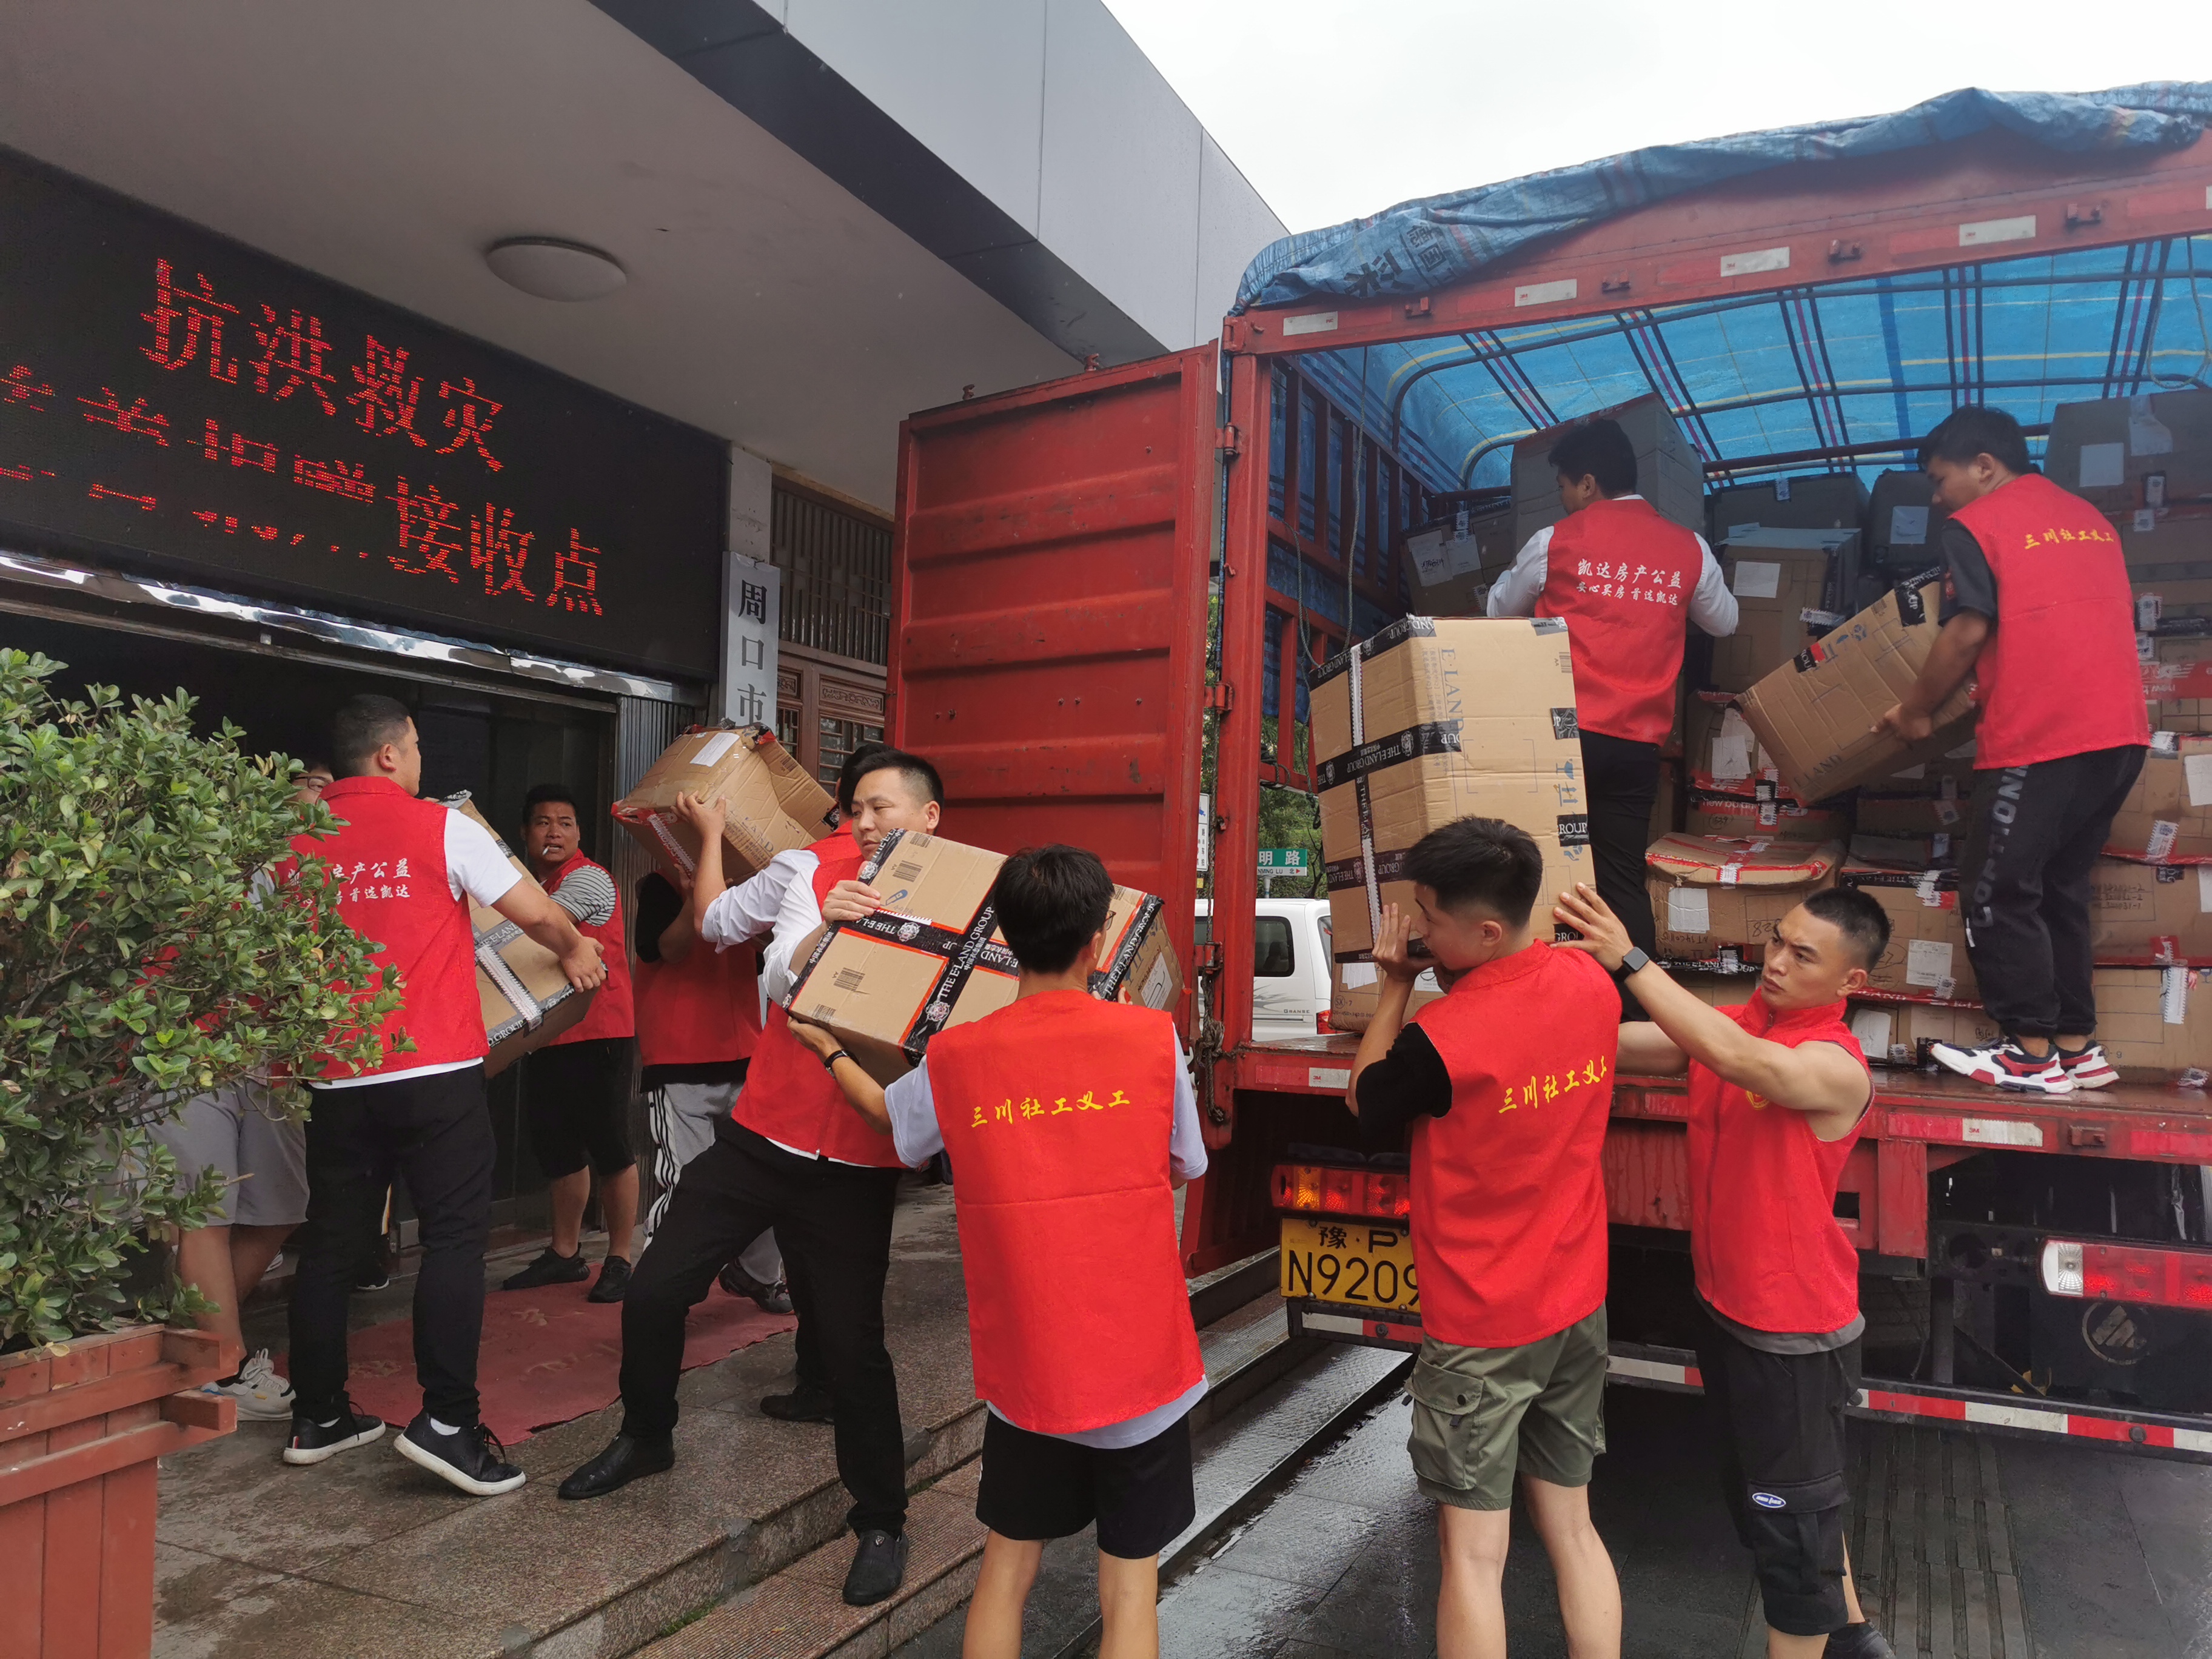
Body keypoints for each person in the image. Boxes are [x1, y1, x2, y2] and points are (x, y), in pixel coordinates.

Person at [788, 843, 1206, 1659]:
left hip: (1029, 1366)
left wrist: (828, 1047)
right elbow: (1186, 1162)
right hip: (1141, 1365)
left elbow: (892, 1123)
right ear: (1098, 942)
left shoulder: (958, 1056)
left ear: (1004, 940)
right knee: (1129, 1588)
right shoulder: (1153, 1039)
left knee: (1007, 1567)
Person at [557, 749, 948, 1612]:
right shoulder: (812, 870)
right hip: (761, 1137)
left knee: (852, 1346)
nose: (865, 823)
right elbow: (771, 970)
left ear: (928, 819)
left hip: (856, 1162)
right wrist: (822, 929)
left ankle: (882, 1520)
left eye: (883, 808)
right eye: (856, 808)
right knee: (656, 1289)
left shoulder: (965, 903)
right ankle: (647, 1434)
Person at [1553, 879, 1898, 1659]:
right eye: (1777, 940)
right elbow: (1628, 1043)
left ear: (1850, 981)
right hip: (1726, 1308)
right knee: (1783, 1504)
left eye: (1802, 955)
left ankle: (1830, 1631)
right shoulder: (1741, 1023)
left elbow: (1740, 1060)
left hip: (1792, 1333)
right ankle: (1854, 1638)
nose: (1776, 961)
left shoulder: (1834, 1065)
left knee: (1791, 1538)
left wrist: (1630, 958)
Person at [283, 694, 605, 1496]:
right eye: (418, 745)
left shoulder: (287, 843)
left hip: (337, 1075)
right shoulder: (441, 826)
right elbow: (534, 913)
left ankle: (318, 1416)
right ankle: (449, 1424)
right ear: (390, 754)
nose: (422, 758)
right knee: (456, 1240)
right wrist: (576, 950)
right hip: (433, 1072)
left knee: (330, 1246)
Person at [1345, 817, 1623, 1659]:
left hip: (1483, 1324)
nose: (1420, 933)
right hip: (1575, 1304)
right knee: (1573, 1526)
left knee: (1472, 1554)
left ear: (1488, 932)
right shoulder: (1590, 982)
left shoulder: (1442, 1039)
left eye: (1430, 920)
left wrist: (1395, 986)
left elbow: (1365, 1100)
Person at [1875, 405, 2150, 1095]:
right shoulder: (2091, 520)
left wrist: (1915, 711)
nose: (1937, 499)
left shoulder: (1979, 524)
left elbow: (1967, 630)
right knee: (2058, 887)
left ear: (1984, 467)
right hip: (2120, 734)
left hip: (2042, 732)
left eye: (1940, 480)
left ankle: (2027, 1052)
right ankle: (2076, 1047)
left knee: (1995, 890)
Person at [1488, 417, 1738, 1014]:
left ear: (1588, 483)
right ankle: (1631, 1013)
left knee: (1536, 868)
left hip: (1560, 737)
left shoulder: (1555, 541)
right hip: (1635, 746)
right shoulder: (1688, 549)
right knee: (1621, 879)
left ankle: (1535, 1006)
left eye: (1564, 486)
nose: (1563, 498)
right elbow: (1725, 622)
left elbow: (1500, 611)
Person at [150, 755, 335, 1421]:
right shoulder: (207, 859)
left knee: (283, 1204)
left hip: (270, 1064)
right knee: (205, 1212)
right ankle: (221, 1368)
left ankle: (186, 1344)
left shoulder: (316, 869)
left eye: (325, 787)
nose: (315, 797)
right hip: (191, 1054)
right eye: (304, 786)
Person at [503, 783, 641, 1302]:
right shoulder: (531, 884)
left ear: (579, 833)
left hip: (598, 1033)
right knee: (558, 1148)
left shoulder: (588, 878)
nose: (554, 832)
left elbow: (535, 926)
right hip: (548, 1037)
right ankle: (564, 1254)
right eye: (543, 822)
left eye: (565, 823)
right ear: (525, 832)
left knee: (611, 1148)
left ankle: (621, 1258)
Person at [630, 861, 786, 1311]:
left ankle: (758, 1274)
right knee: (687, 1184)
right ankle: (660, 1294)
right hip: (680, 1058)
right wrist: (693, 900)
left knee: (769, 1175)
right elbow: (666, 949)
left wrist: (753, 911)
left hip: (745, 1053)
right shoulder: (660, 883)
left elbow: (768, 954)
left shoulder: (752, 884)